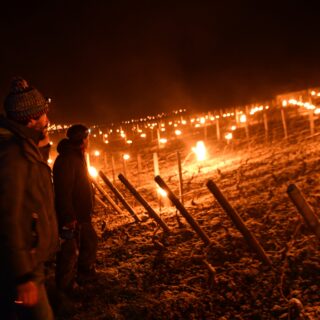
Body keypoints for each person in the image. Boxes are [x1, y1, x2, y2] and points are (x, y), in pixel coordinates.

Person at [0, 77, 59, 320]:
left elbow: (35, 189)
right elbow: (7, 217)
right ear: (31, 119)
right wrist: (23, 275)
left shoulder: (25, 147)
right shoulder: (13, 155)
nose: (48, 119)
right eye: (44, 114)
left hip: (34, 259)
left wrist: (41, 147)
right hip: (25, 266)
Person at [53, 124, 98, 298]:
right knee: (69, 251)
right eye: (87, 138)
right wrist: (68, 216)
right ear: (83, 139)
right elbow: (63, 191)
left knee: (89, 242)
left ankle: (84, 276)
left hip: (81, 214)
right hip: (73, 216)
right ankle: (65, 287)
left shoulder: (76, 156)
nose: (89, 141)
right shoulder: (67, 159)